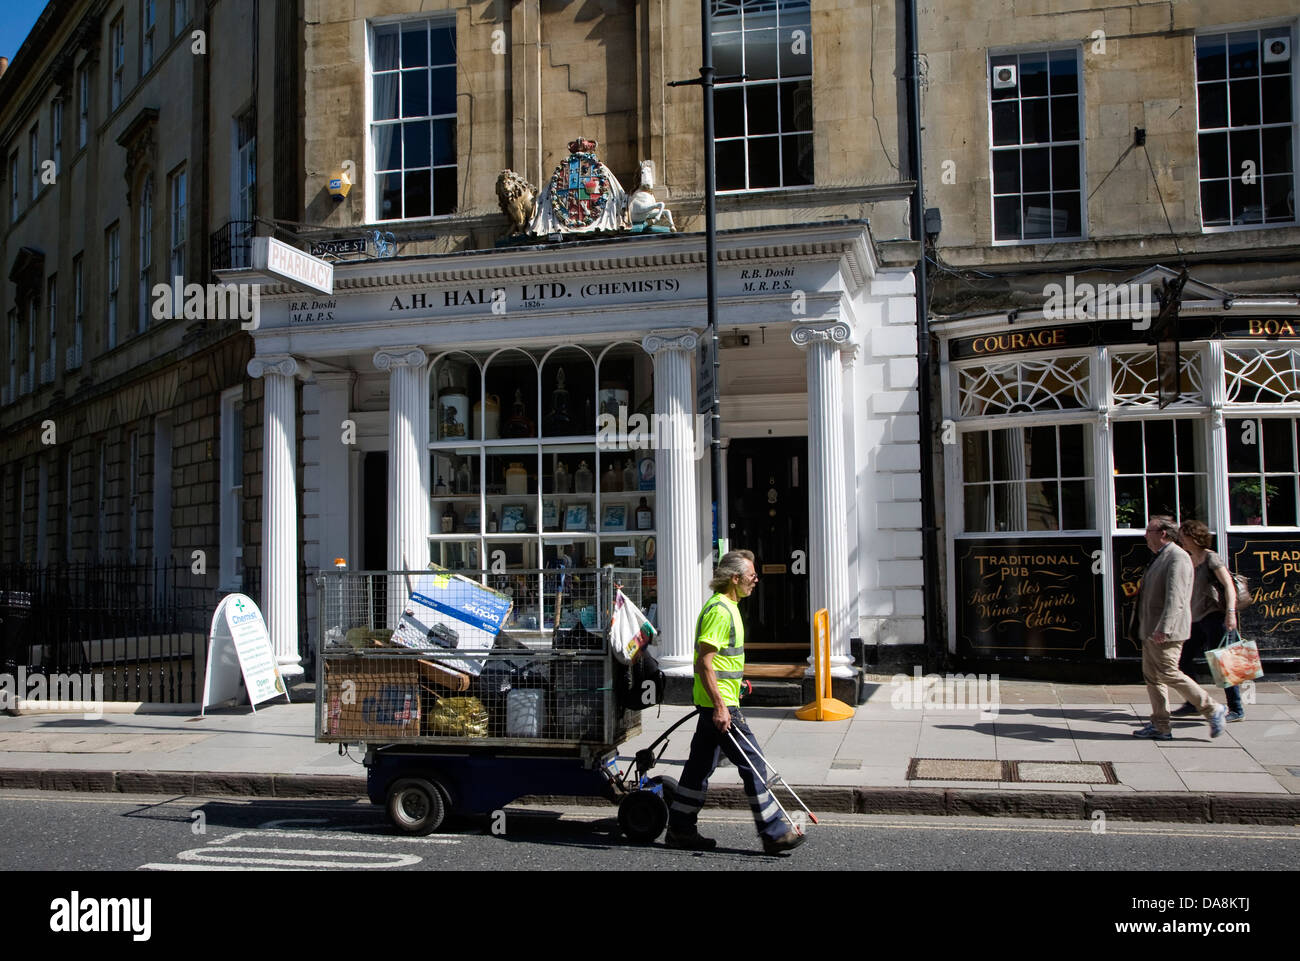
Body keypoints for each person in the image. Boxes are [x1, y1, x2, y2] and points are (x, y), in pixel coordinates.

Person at [664, 550, 806, 855]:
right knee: (754, 764)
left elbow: (720, 662)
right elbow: (704, 661)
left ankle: (679, 828)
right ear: (735, 578)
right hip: (722, 708)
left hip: (720, 701)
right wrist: (720, 706)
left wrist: (736, 681)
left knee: (697, 769)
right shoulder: (720, 610)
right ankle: (773, 833)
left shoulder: (729, 606)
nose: (756, 580)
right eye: (752, 575)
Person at [1134, 516, 1227, 740]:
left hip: (1166, 632)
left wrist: (1164, 628)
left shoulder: (1177, 557)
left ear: (1163, 533)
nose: (1146, 535)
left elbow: (1176, 598)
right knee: (1153, 677)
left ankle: (1212, 708)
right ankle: (1160, 726)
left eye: (1149, 530)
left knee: (1169, 673)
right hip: (1150, 629)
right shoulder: (1160, 557)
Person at [1171, 520, 1244, 721]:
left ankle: (1236, 709)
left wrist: (1231, 613)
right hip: (1194, 617)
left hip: (1214, 617)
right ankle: (1193, 702)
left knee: (1223, 663)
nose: (1181, 540)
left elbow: (1228, 585)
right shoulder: (1187, 558)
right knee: (1182, 660)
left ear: (1195, 537)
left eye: (1184, 536)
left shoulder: (1211, 557)